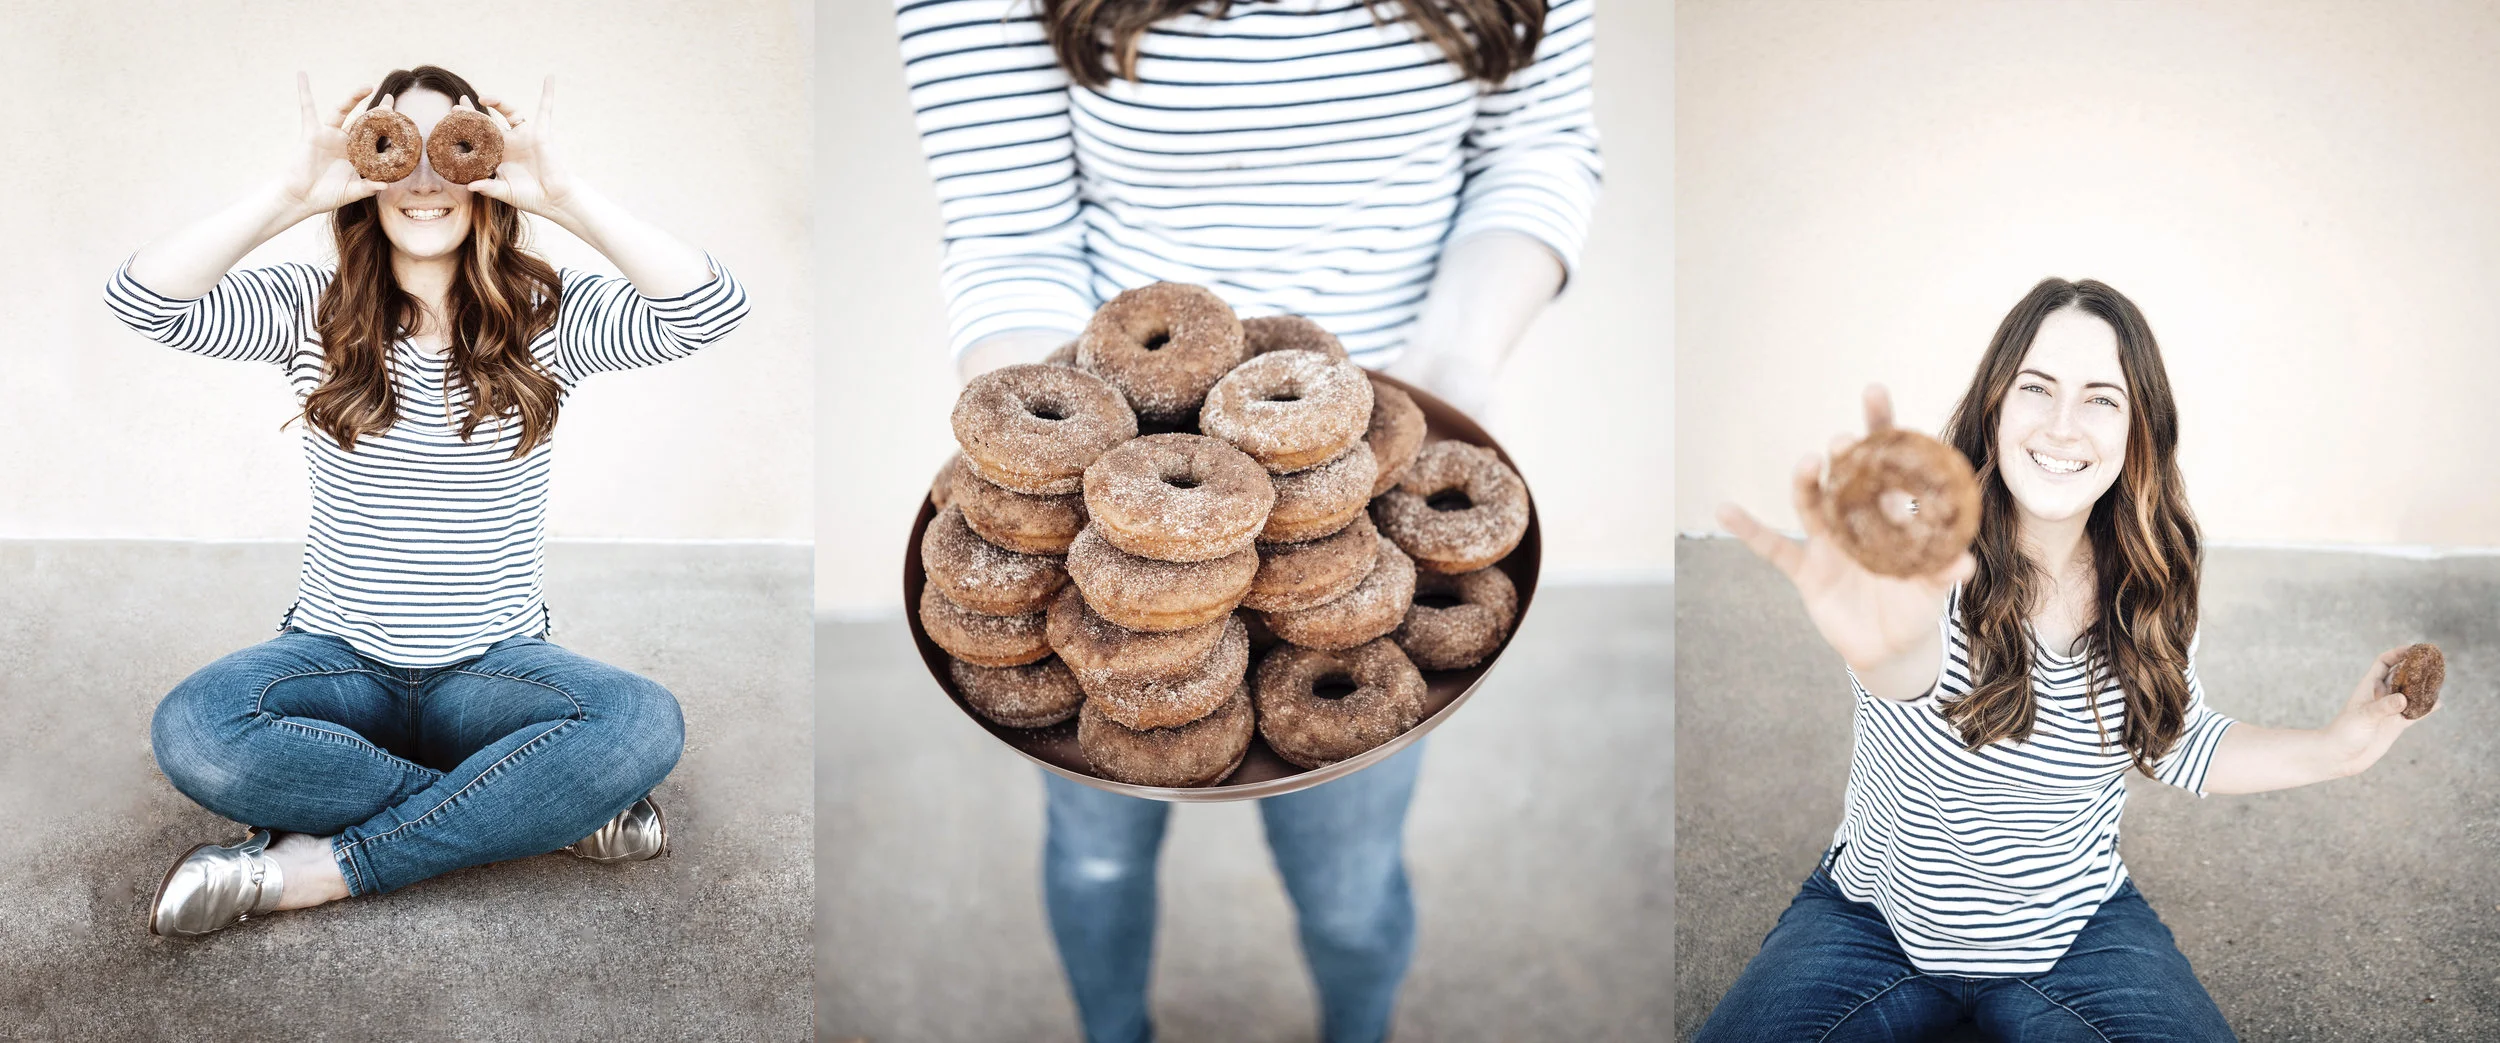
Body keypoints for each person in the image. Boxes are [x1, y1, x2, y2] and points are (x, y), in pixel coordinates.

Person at [897, 1, 1598, 1039]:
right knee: (1095, 848)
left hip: (1373, 490)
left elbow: (1536, 148)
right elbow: (1008, 225)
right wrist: (1065, 460)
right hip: (1105, 485)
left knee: (1350, 883)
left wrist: (1454, 368)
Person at [106, 65, 749, 937]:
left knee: (641, 726)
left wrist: (563, 196)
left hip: (492, 668)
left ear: (482, 168)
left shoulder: (548, 317)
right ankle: (534, 805)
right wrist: (290, 195)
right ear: (365, 172)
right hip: (340, 661)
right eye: (395, 149)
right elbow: (140, 299)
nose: (423, 178)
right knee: (196, 731)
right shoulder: (310, 312)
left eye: (451, 149)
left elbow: (712, 308)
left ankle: (316, 869)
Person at [1702, 279, 2435, 1041]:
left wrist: (2336, 750)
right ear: (1995, 404)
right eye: (2037, 387)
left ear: (2138, 428)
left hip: (2076, 933)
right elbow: (1904, 666)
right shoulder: (1920, 558)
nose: (2062, 424)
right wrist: (1885, 648)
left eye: (2100, 399)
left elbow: (2173, 737)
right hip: (1871, 924)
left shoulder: (2151, 578)